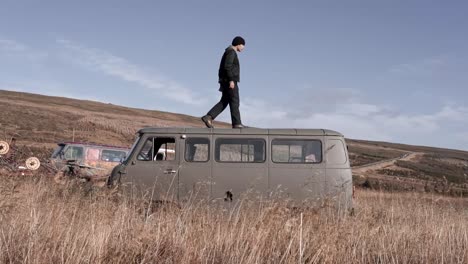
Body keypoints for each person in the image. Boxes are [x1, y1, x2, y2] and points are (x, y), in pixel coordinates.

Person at [202, 36, 246, 129]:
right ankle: (237, 123)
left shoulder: (228, 51)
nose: (243, 47)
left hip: (225, 81)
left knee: (224, 101)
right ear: (238, 44)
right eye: (243, 45)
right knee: (234, 101)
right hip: (230, 81)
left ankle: (209, 117)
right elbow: (227, 67)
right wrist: (231, 80)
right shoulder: (231, 52)